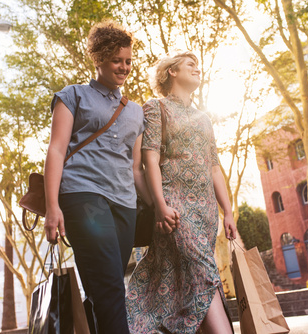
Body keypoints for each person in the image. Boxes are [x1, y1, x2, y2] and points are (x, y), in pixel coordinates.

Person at [43, 20, 151, 334]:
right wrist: (53, 208)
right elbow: (56, 150)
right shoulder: (72, 96)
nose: (124, 66)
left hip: (125, 204)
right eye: (117, 60)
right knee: (111, 287)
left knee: (104, 286)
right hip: (84, 195)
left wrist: (158, 205)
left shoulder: (136, 112)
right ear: (99, 59)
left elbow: (135, 169)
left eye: (129, 60)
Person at [126, 51, 238, 333]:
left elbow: (214, 167)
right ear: (171, 72)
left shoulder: (204, 118)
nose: (197, 68)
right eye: (190, 65)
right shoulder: (155, 108)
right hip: (175, 207)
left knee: (190, 280)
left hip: (206, 212)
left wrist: (228, 212)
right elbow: (147, 160)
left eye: (198, 65)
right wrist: (160, 206)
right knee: (204, 273)